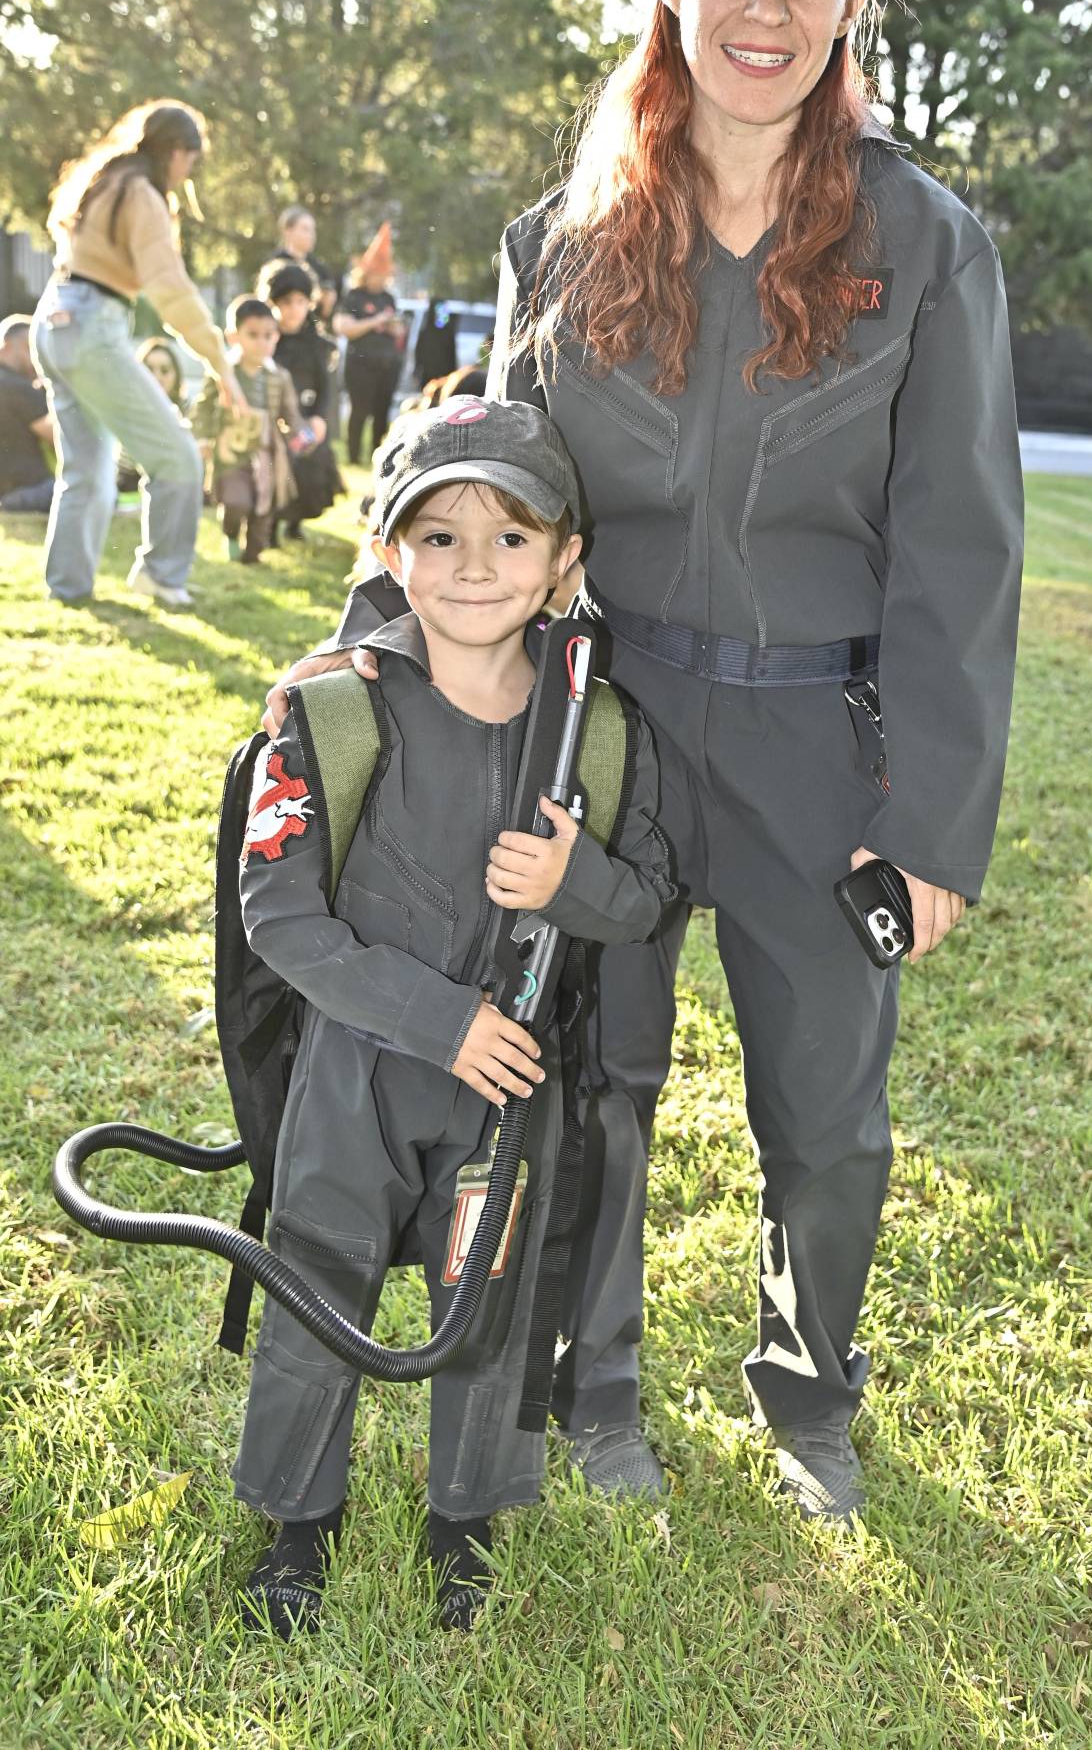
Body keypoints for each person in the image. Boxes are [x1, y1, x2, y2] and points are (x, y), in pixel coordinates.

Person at [266, 0, 1024, 1521]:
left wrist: (934, 821)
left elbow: (964, 554)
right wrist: (361, 671)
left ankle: (807, 1389)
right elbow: (479, 498)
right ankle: (589, 1389)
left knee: (822, 1110)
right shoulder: (571, 236)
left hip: (819, 745)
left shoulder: (926, 248)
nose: (767, 0)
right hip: (595, 733)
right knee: (591, 1080)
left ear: (851, 2)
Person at [233, 395, 674, 1637]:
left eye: (512, 537)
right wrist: (436, 1020)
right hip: (356, 1073)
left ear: (566, 560)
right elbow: (281, 916)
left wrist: (569, 879)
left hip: (510, 1083)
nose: (475, 567)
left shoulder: (599, 731)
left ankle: (463, 1520)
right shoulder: (329, 709)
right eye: (438, 537)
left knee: (488, 1300)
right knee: (317, 1278)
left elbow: (643, 901)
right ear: (385, 552)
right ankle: (296, 1519)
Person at [30, 98, 245, 608]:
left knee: (85, 469)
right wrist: (219, 359)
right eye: (191, 160)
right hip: (91, 328)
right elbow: (169, 288)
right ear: (175, 152)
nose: (189, 171)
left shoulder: (104, 182)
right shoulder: (143, 195)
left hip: (54, 318)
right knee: (177, 456)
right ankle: (161, 575)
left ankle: (68, 589)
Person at [189, 296, 302, 563]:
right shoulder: (222, 372)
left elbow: (291, 414)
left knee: (263, 505)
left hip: (266, 452)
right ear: (233, 336)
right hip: (231, 450)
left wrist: (301, 436)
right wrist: (203, 438)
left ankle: (253, 555)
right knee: (236, 500)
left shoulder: (280, 377)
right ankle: (230, 533)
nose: (262, 342)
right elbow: (203, 406)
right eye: (253, 335)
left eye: (269, 335)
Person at [259, 260, 344, 539]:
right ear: (272, 303)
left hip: (305, 420)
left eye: (300, 301)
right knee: (272, 471)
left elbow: (327, 388)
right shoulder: (265, 342)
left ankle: (294, 523)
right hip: (270, 422)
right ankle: (268, 527)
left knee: (307, 470)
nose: (293, 309)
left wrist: (320, 419)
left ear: (310, 302)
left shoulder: (319, 345)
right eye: (285, 302)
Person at [333, 223, 402, 466]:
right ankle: (353, 457)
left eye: (385, 276)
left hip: (387, 364)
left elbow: (398, 330)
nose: (381, 280)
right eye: (377, 274)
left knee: (382, 414)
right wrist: (375, 321)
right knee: (359, 411)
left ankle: (378, 455)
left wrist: (394, 327)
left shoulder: (388, 298)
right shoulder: (354, 296)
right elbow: (344, 327)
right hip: (360, 365)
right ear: (367, 272)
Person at [0, 314, 55, 515]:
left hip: (9, 495)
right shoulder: (16, 386)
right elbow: (61, 439)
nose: (36, 359)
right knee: (85, 488)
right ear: (6, 346)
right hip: (25, 493)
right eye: (29, 348)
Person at [261, 205, 337, 326]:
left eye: (313, 230)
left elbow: (323, 315)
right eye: (305, 229)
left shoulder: (319, 268)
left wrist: (326, 302)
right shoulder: (274, 265)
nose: (311, 235)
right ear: (288, 231)